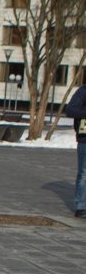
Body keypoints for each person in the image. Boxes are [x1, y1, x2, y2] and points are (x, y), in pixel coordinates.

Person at [65, 83, 86, 218]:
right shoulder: (83, 91)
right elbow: (70, 110)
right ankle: (81, 206)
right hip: (85, 139)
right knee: (84, 173)